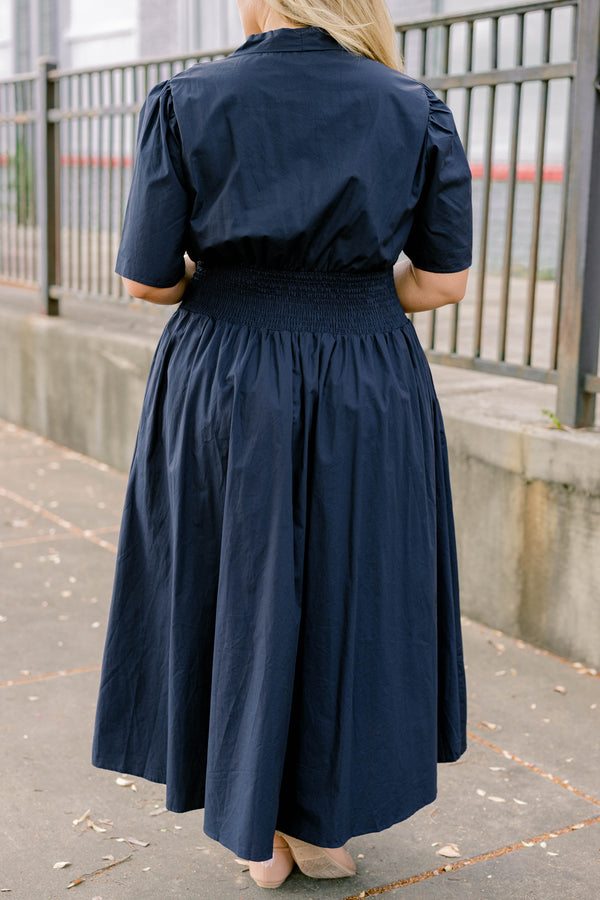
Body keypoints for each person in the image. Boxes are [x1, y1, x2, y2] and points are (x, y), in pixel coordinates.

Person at [91, 0, 472, 890]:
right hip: (368, 377)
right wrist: (347, 301)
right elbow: (442, 282)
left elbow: (148, 281)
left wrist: (239, 287)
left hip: (225, 373)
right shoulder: (414, 106)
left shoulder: (186, 100)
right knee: (354, 586)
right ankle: (322, 824)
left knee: (235, 582)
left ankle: (254, 827)